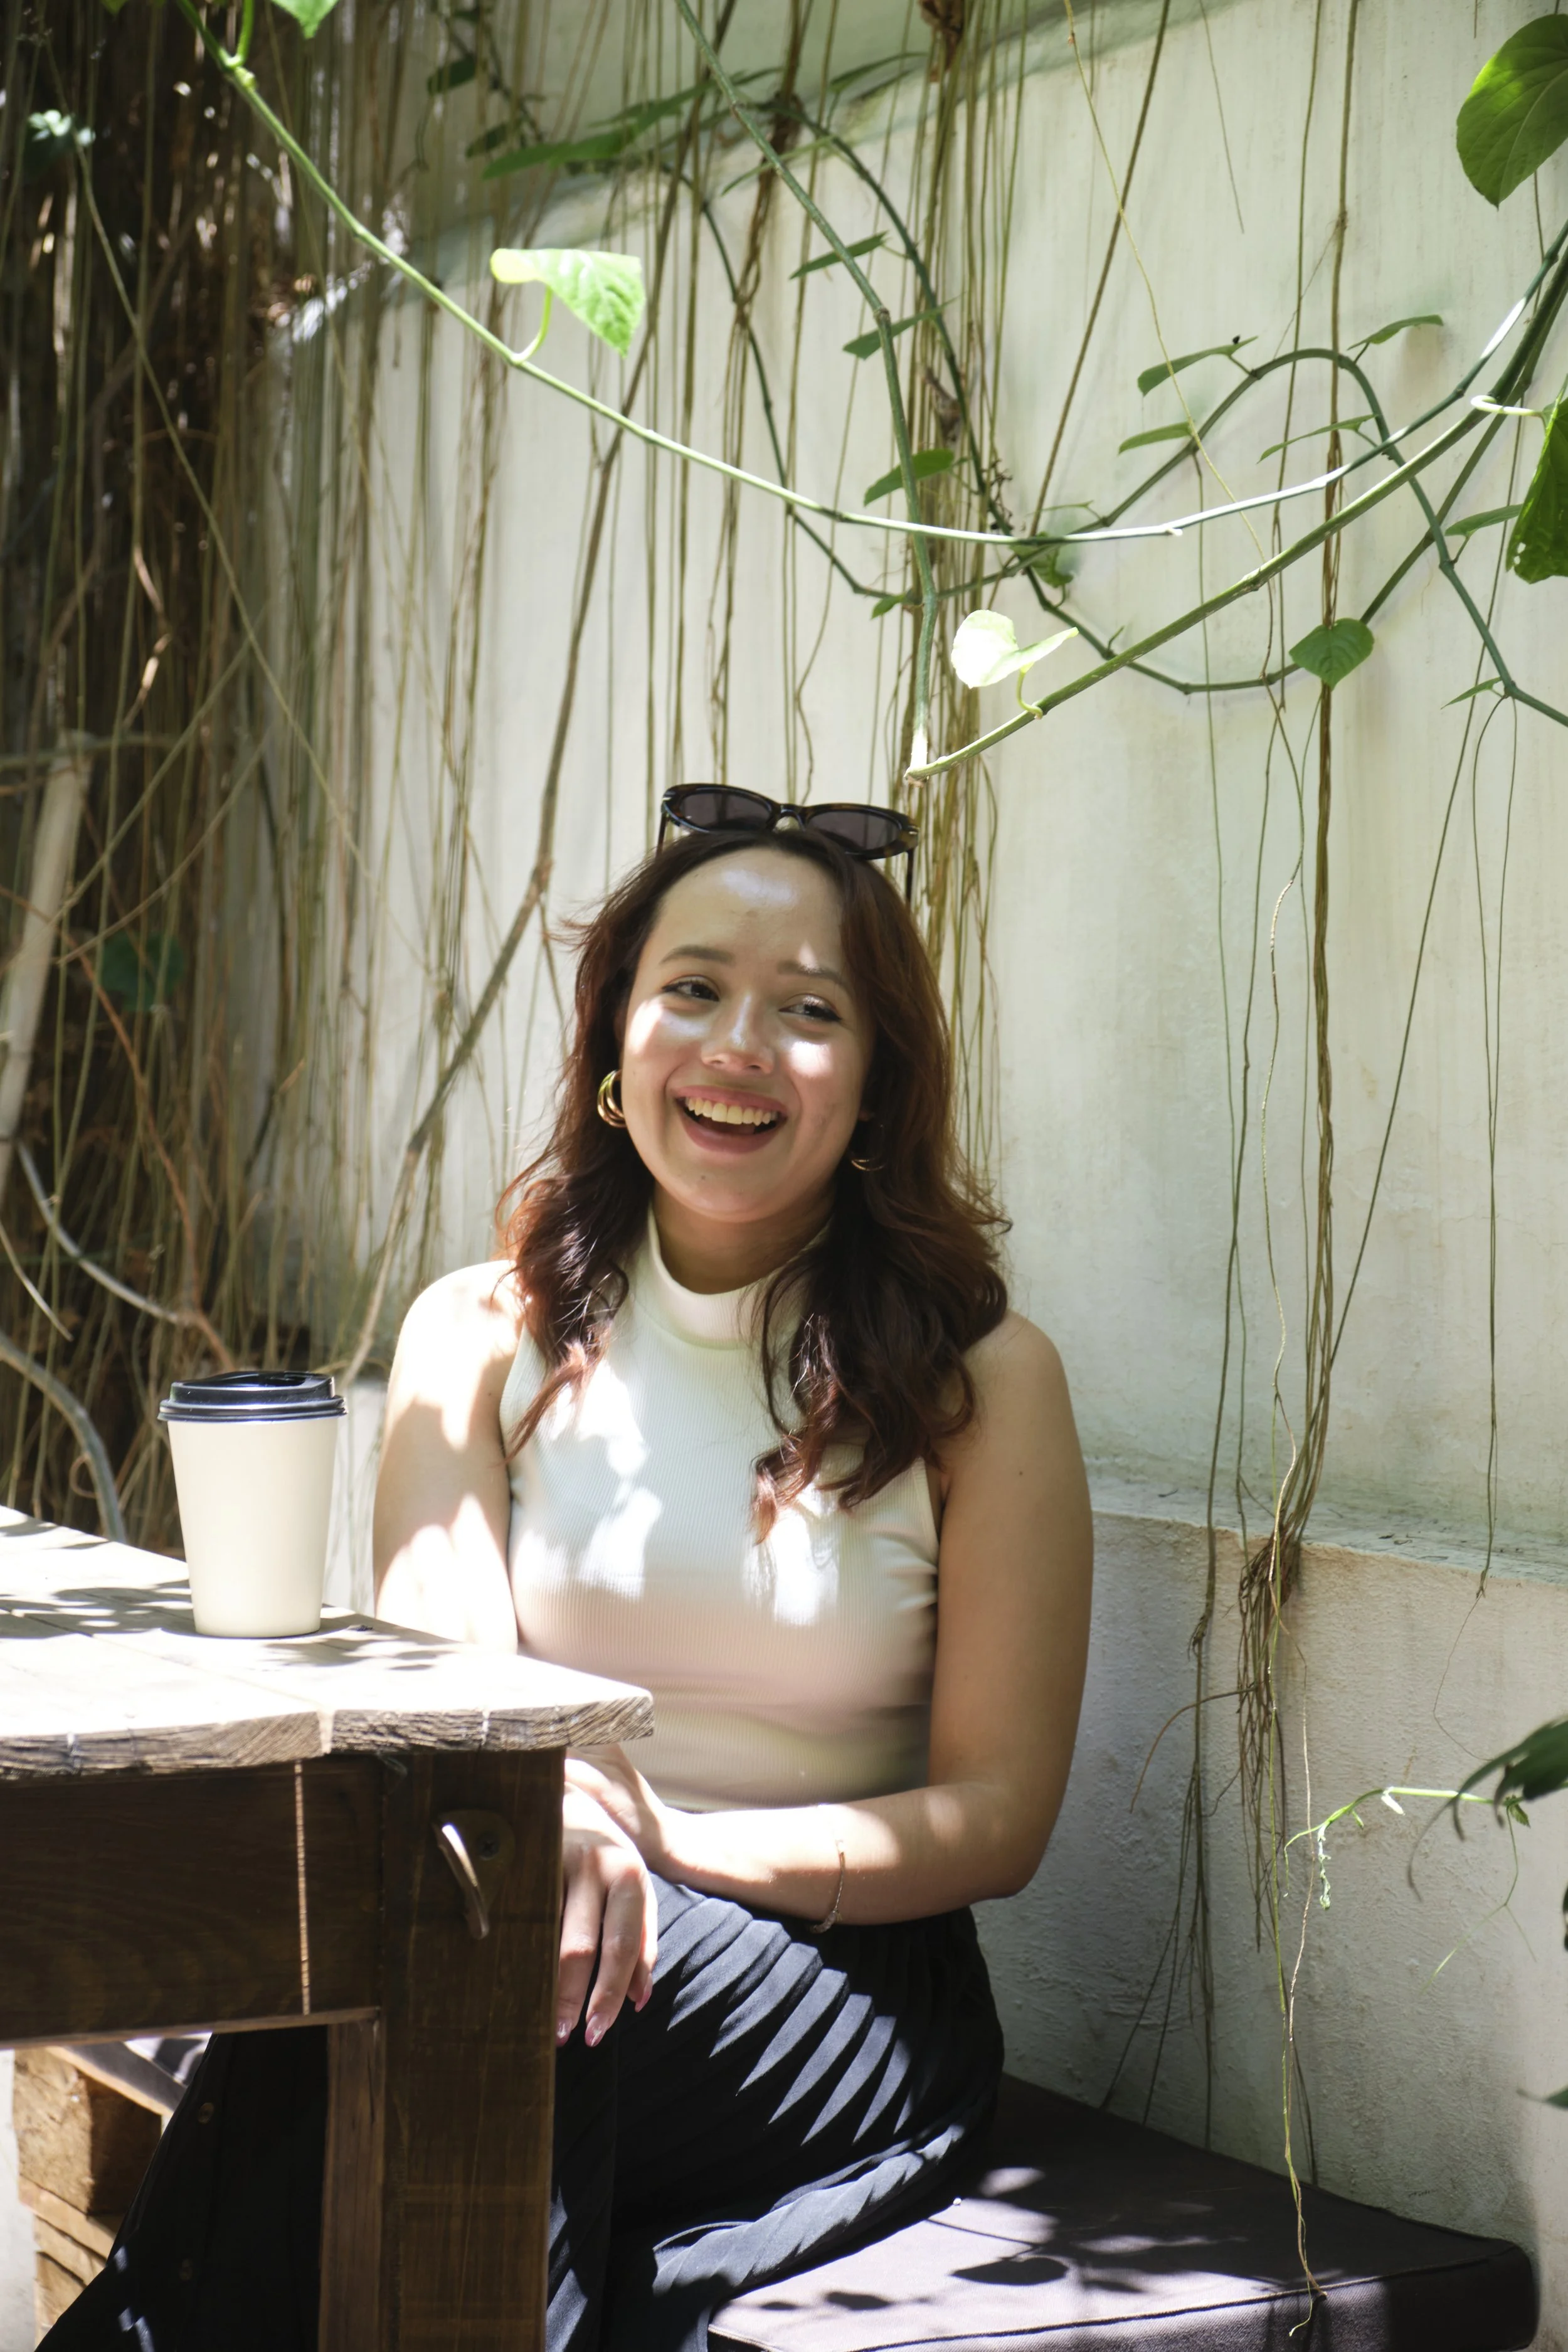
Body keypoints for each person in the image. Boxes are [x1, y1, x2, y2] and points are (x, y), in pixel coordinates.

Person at [46, 800, 1092, 2352]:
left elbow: (994, 1823)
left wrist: (661, 1842)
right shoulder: (478, 1333)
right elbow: (446, 1703)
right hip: (522, 1903)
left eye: (809, 1010)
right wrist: (571, 1824)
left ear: (875, 1081)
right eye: (691, 990)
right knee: (484, 1960)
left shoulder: (980, 1383)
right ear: (615, 1040)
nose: (738, 1044)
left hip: (840, 1982)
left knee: (510, 1975)